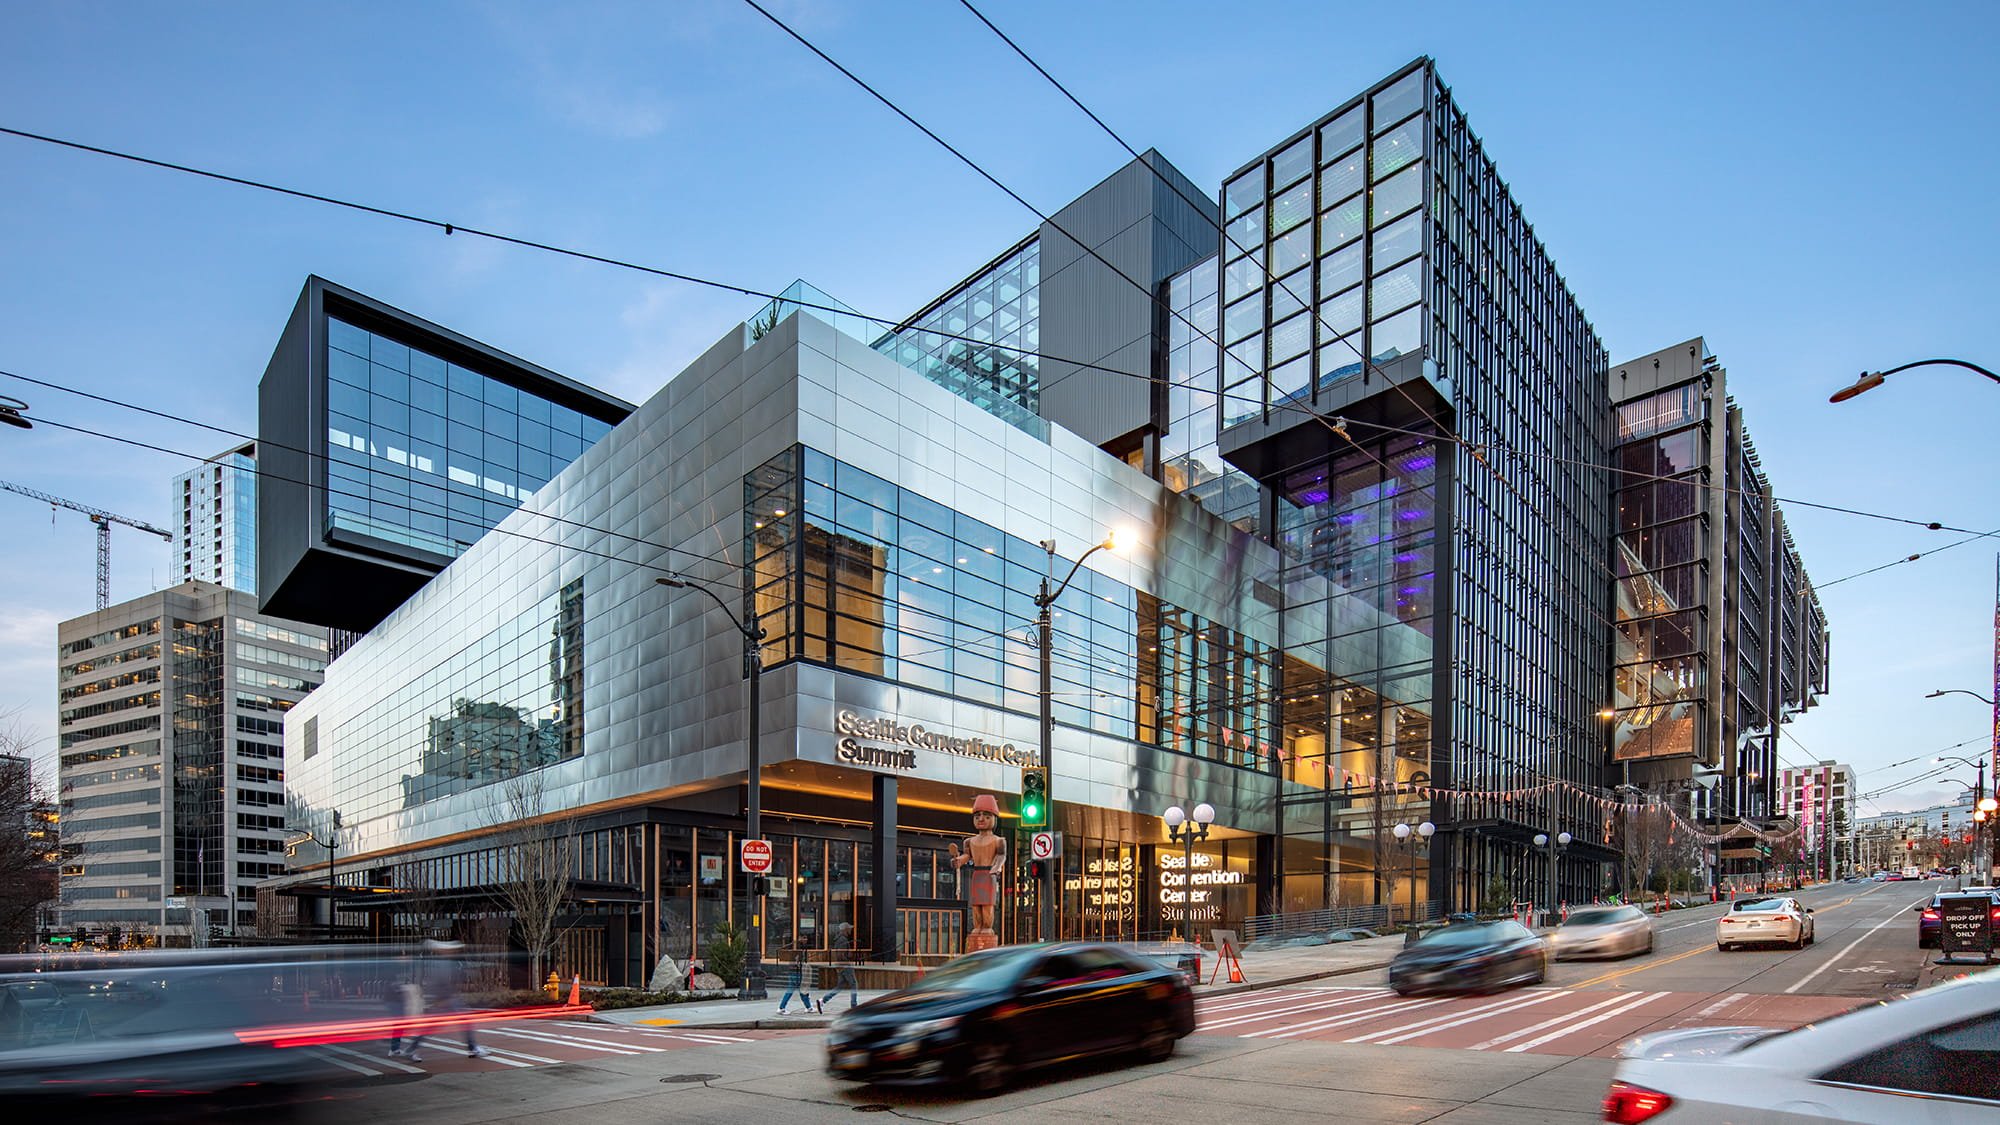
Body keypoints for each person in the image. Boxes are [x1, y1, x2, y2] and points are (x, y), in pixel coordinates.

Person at [421, 938, 491, 1059]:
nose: (454, 951)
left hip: (448, 999)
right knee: (461, 1022)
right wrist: (439, 1000)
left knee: (435, 1026)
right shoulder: (442, 963)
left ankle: (473, 1048)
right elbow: (438, 982)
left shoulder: (445, 962)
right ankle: (473, 1048)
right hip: (446, 1000)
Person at [387, 971, 423, 1059]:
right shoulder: (404, 988)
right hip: (409, 1013)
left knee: (400, 1031)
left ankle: (395, 1049)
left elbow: (418, 1000)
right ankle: (409, 1052)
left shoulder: (406, 987)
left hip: (409, 1013)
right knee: (415, 1033)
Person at [774, 943, 814, 1016]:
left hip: (792, 972)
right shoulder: (799, 953)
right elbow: (798, 963)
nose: (806, 940)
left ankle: (781, 1007)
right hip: (797, 973)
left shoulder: (792, 953)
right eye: (804, 938)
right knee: (802, 990)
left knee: (791, 991)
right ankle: (808, 1007)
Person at [829, 921, 860, 1011]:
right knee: (853, 984)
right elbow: (840, 954)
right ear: (845, 929)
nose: (851, 929)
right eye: (849, 928)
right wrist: (847, 960)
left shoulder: (839, 939)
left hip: (840, 965)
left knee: (840, 986)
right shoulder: (843, 939)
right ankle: (854, 1005)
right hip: (845, 966)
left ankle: (823, 1000)